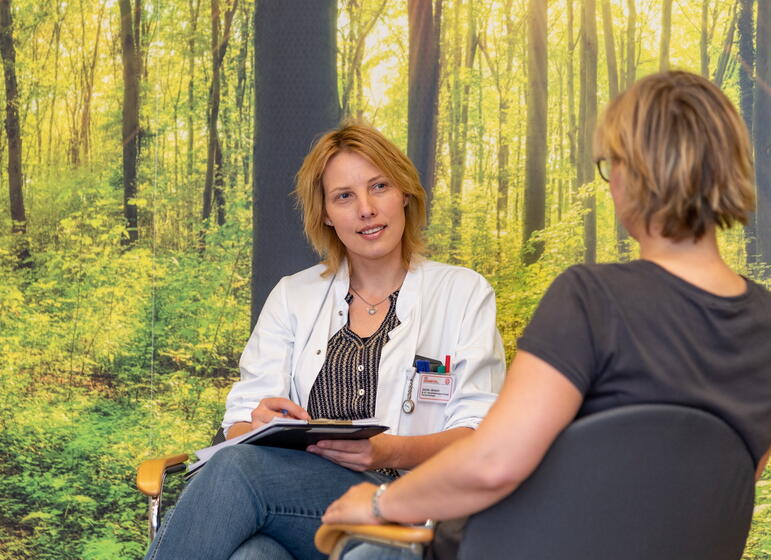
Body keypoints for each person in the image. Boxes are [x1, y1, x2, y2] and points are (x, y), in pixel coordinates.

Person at [323, 71, 771, 542]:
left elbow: (493, 463)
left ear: (633, 176)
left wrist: (379, 503)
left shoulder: (593, 299)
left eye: (612, 165)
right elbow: (730, 481)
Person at [144, 122, 505, 560]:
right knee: (252, 555)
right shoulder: (293, 295)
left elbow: (480, 438)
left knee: (242, 480)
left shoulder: (463, 292)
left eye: (379, 186)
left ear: (405, 194)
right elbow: (238, 423)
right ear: (327, 215)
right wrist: (257, 424)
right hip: (301, 504)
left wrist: (388, 451)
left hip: (414, 506)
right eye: (344, 196)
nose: (366, 209)